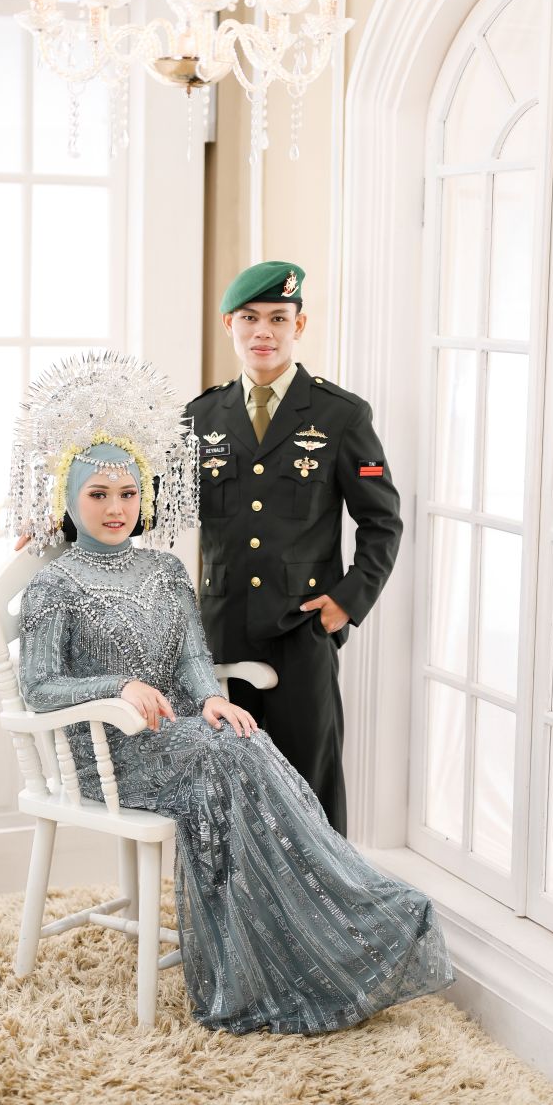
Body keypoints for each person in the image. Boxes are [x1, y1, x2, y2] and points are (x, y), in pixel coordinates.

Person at [12, 351, 452, 1036]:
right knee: (230, 755)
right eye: (96, 495)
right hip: (107, 757)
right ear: (69, 500)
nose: (116, 508)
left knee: (240, 735)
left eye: (127, 493)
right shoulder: (53, 583)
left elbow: (193, 658)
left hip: (177, 737)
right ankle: (316, 924)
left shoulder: (165, 570)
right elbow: (39, 689)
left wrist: (209, 698)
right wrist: (119, 685)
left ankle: (307, 931)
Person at [186, 261, 402, 835]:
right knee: (226, 785)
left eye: (278, 319)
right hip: (223, 628)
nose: (264, 331)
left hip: (301, 630)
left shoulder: (340, 414)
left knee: (309, 782)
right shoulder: (201, 417)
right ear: (229, 325)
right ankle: (235, 890)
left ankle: (322, 891)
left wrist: (346, 603)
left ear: (298, 326)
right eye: (250, 318)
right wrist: (64, 519)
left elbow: (382, 521)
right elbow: (150, 505)